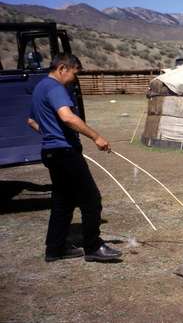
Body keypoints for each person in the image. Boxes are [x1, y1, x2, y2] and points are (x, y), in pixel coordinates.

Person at [27, 53, 122, 263]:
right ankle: (93, 246)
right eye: (74, 73)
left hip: (51, 152)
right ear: (62, 68)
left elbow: (31, 121)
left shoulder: (40, 88)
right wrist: (96, 136)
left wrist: (51, 134)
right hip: (65, 153)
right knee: (91, 199)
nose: (74, 79)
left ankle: (55, 248)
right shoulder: (55, 88)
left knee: (63, 201)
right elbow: (67, 116)